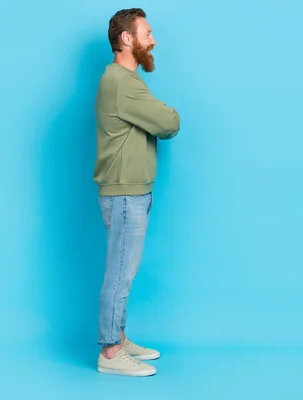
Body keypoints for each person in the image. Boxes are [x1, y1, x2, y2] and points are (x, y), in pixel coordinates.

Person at [92, 8, 180, 377]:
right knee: (119, 274)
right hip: (126, 194)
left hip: (131, 192)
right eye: (147, 33)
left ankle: (119, 336)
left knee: (124, 270)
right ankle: (110, 353)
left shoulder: (122, 81)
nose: (154, 40)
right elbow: (169, 122)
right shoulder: (122, 83)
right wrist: (164, 117)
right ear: (127, 39)